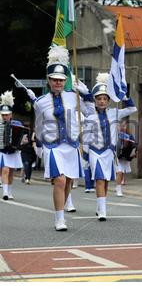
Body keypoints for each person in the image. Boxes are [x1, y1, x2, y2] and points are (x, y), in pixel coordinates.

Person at [29, 45, 95, 231]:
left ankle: (61, 212)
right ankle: (59, 219)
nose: (58, 83)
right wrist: (40, 145)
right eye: (54, 80)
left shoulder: (73, 97)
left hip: (71, 145)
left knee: (69, 181)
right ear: (49, 80)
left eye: (61, 80)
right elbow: (39, 126)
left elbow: (90, 112)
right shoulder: (40, 103)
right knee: (60, 180)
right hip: (53, 146)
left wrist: (86, 94)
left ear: (65, 81)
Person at [83, 73, 137, 221]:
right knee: (99, 179)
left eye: (105, 99)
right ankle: (103, 211)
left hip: (109, 152)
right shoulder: (90, 116)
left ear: (109, 100)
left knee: (106, 180)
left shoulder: (114, 113)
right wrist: (86, 155)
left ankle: (100, 206)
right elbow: (86, 137)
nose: (102, 101)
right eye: (99, 98)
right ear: (95, 100)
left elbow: (132, 109)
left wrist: (123, 95)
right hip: (95, 151)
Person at [0, 91, 26, 200]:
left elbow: (24, 137)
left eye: (7, 114)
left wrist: (23, 141)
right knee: (5, 169)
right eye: (3, 115)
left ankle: (9, 191)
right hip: (2, 151)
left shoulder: (17, 124)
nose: (5, 116)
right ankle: (5, 192)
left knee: (10, 172)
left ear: (11, 114)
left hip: (13, 151)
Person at [116, 120, 137, 197]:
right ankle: (119, 189)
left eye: (124, 126)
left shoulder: (130, 136)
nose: (122, 128)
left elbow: (134, 145)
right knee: (119, 172)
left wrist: (134, 152)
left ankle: (119, 186)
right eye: (120, 126)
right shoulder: (115, 135)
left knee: (122, 172)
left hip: (125, 157)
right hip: (116, 157)